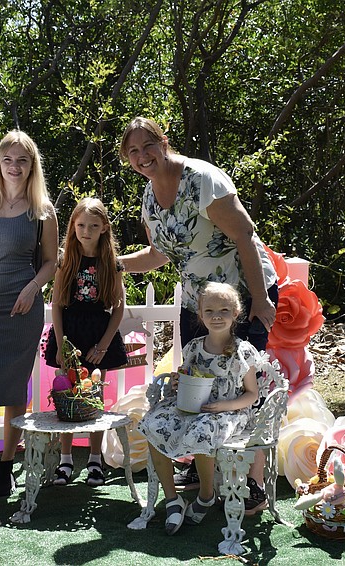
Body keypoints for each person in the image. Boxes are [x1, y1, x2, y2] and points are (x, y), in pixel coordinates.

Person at [117, 117, 278, 514]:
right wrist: (113, 264)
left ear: (163, 142)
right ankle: (202, 466)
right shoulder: (149, 196)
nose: (141, 157)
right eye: (132, 153)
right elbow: (159, 254)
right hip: (198, 304)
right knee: (201, 383)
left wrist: (259, 299)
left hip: (239, 297)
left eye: (146, 147)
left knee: (243, 383)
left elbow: (244, 235)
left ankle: (252, 483)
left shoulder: (203, 179)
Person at [0, 130, 59, 497]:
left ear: (32, 165)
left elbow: (52, 262)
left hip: (22, 306)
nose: (14, 166)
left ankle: (7, 465)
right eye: (8, 159)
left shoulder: (42, 211)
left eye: (22, 160)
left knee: (16, 387)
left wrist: (32, 287)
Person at [138, 282, 261, 533]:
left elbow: (252, 394)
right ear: (201, 315)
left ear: (236, 313)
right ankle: (173, 498)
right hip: (194, 406)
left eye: (224, 311)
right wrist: (177, 382)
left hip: (229, 411)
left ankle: (206, 495)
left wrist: (225, 405)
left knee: (202, 431)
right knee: (153, 424)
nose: (216, 316)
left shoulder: (242, 351)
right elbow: (187, 376)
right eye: (210, 311)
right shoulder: (194, 347)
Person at [43, 197, 128, 487]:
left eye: (93, 225)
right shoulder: (65, 259)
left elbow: (117, 307)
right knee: (66, 395)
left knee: (94, 396)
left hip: (97, 334)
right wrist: (61, 344)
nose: (86, 231)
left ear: (104, 227)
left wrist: (103, 346)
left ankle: (94, 460)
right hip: (69, 331)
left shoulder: (112, 264)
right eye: (80, 225)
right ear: (73, 226)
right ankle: (66, 460)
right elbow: (55, 304)